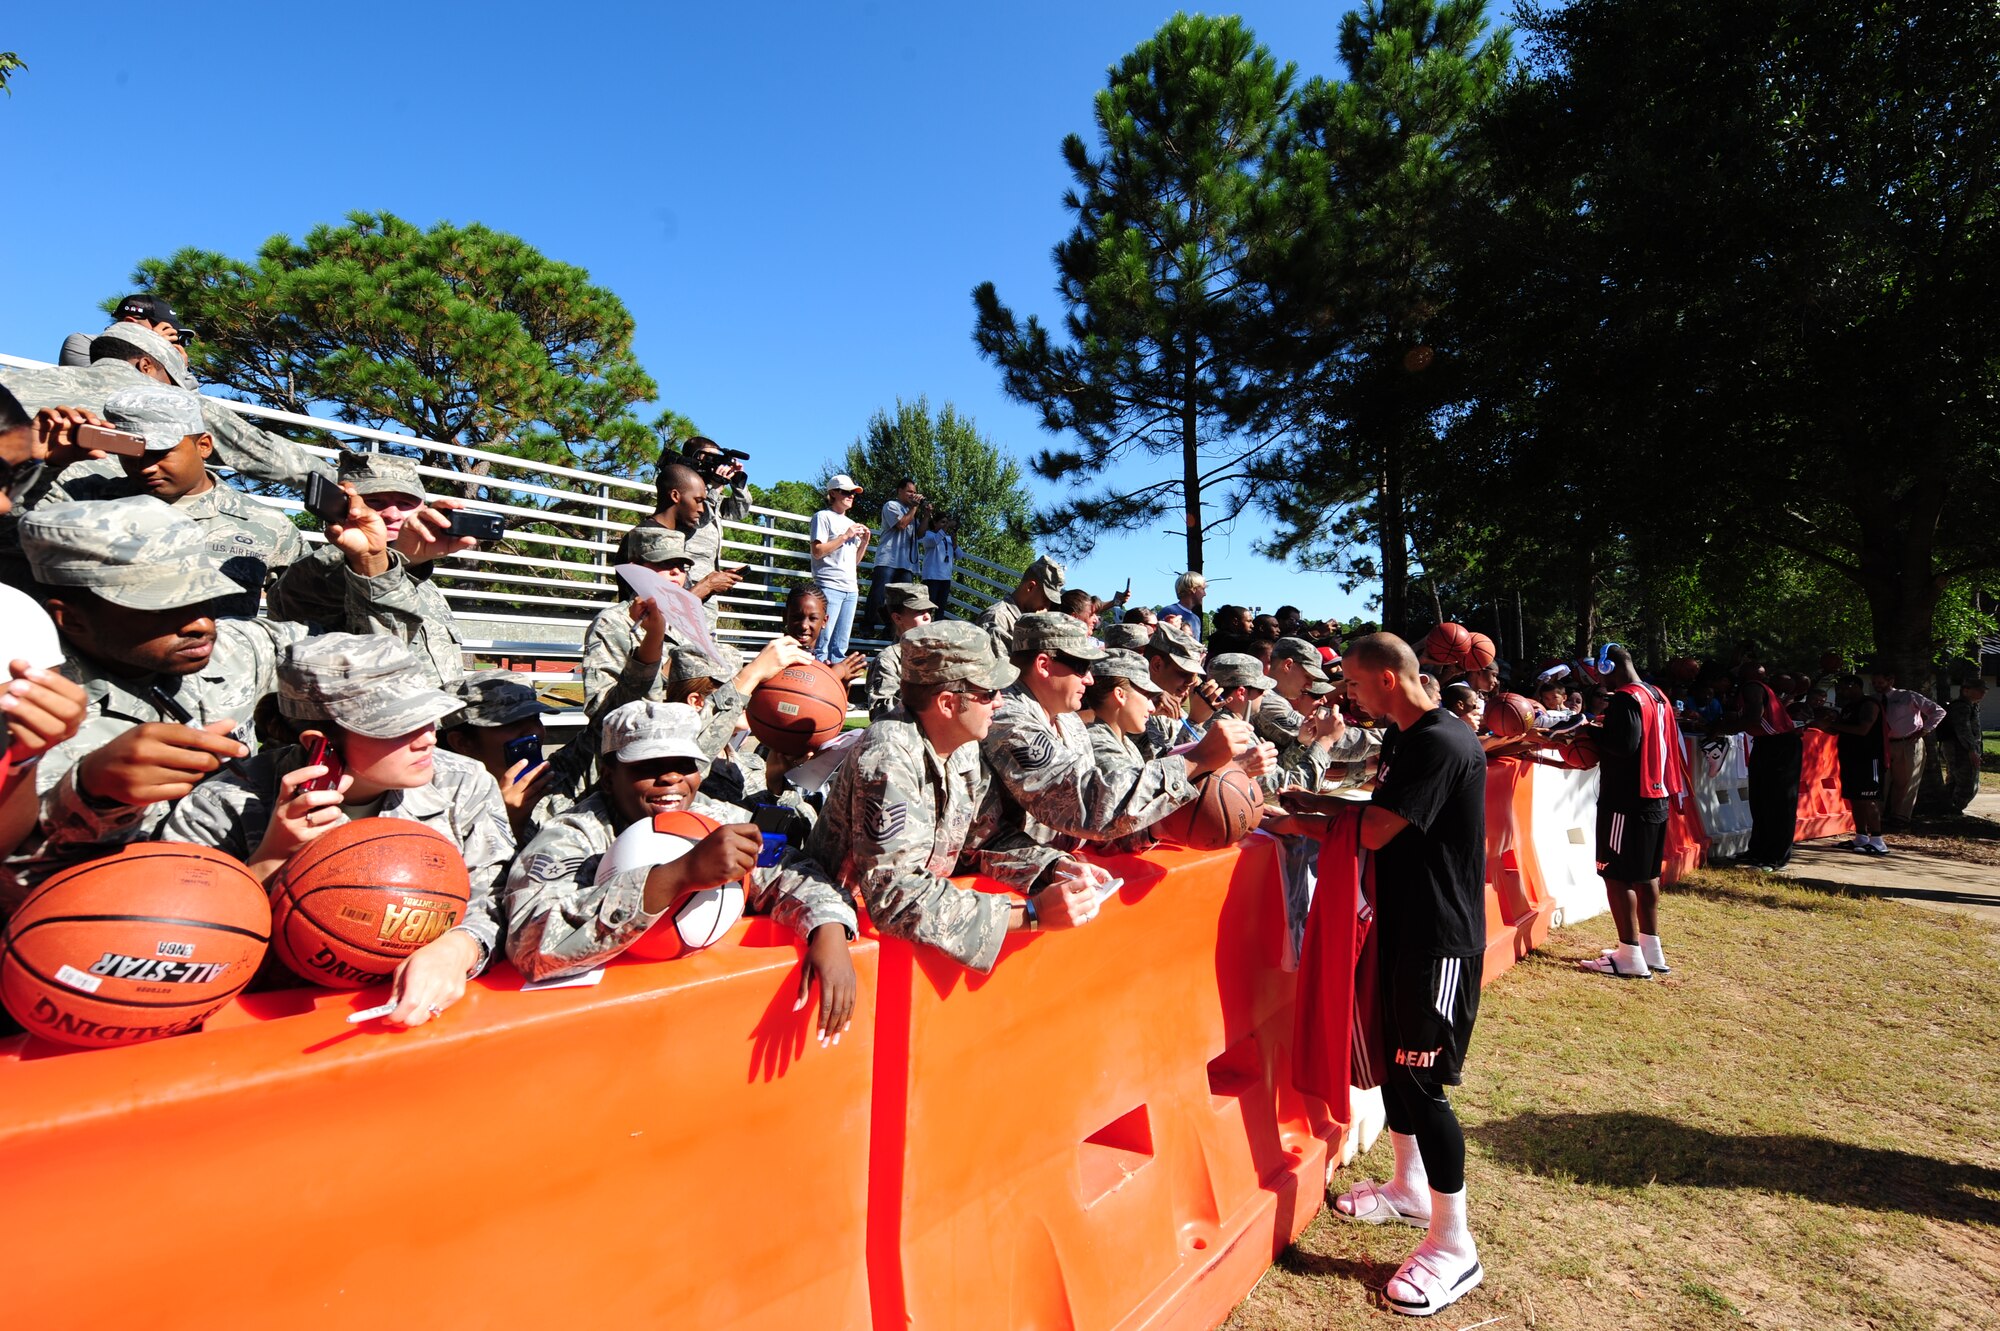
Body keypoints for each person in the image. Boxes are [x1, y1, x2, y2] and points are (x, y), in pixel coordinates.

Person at [5, 490, 439, 901]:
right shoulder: (23, 704)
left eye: (207, 597)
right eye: (161, 606)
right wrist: (91, 794)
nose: (201, 624)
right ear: (70, 619)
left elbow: (377, 662)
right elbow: (19, 890)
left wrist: (371, 562)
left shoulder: (236, 648)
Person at [160, 635, 511, 1027]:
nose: (428, 737)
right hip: (276, 1022)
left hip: (427, 1018)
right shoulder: (224, 803)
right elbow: (176, 943)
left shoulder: (462, 783)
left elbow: (498, 895)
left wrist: (460, 948)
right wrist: (269, 860)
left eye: (428, 716)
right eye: (398, 726)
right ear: (319, 744)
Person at [504, 700, 860, 1042]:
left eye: (685, 764)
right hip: (600, 1033)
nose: (671, 777)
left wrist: (827, 927)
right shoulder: (574, 835)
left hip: (705, 1023)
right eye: (648, 764)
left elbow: (789, 873)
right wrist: (676, 875)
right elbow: (530, 943)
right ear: (610, 776)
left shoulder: (715, 816)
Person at [1326, 633, 1487, 1318]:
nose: (1349, 695)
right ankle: (1409, 1186)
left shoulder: (1440, 742)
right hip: (1404, 931)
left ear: (1389, 678)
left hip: (1439, 941)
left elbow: (1373, 829)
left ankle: (1456, 1245)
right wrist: (1315, 804)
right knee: (1397, 1069)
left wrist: (1309, 815)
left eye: (1356, 684)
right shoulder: (1406, 734)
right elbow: (1370, 813)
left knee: (1423, 1084)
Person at [811, 621, 1104, 971]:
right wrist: (1031, 915)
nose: (1000, 701)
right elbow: (893, 894)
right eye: (987, 692)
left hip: (906, 943)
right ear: (948, 703)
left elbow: (986, 837)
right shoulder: (889, 754)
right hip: (845, 936)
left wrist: (1050, 868)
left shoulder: (962, 748)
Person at [980, 613, 1268, 852]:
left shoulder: (1067, 720)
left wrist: (1157, 828)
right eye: (1081, 666)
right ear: (1043, 665)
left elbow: (1087, 832)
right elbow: (1081, 803)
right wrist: (1196, 760)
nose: (1090, 678)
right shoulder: (1008, 717)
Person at [20, 385, 302, 617]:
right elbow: (9, 537)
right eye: (131, 454)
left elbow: (306, 612)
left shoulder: (267, 525)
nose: (145, 467)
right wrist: (36, 465)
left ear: (203, 445)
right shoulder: (83, 499)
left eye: (160, 452)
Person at [268, 451, 471, 687]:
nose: (392, 514)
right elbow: (376, 653)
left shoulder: (421, 577)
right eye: (375, 501)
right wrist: (389, 558)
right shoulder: (319, 572)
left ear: (421, 509)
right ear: (342, 504)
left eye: (405, 503)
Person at [1552, 645, 1685, 979]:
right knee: (1647, 875)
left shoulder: (1626, 698)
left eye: (1599, 672)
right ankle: (1650, 949)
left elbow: (1624, 744)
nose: (1597, 679)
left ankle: (1628, 956)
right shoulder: (1657, 694)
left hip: (1626, 799)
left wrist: (1588, 731)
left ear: (1609, 666)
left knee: (1616, 874)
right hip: (1657, 795)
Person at [437, 670, 591, 840]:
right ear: (462, 742)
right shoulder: (441, 808)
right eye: (512, 723)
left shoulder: (556, 778)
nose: (533, 732)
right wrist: (506, 821)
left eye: (535, 718)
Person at [615, 459, 744, 605]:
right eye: (698, 500)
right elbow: (660, 606)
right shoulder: (651, 536)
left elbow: (679, 597)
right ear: (675, 496)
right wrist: (708, 585)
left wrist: (715, 583)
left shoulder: (666, 534)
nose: (702, 509)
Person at [1729, 663, 1803, 871]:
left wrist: (1720, 728)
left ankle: (1775, 857)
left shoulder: (1753, 686)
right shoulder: (1752, 688)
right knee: (1761, 800)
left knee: (1778, 802)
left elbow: (1753, 717)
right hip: (1766, 744)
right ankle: (1759, 850)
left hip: (1780, 745)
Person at [1815, 674, 1889, 855]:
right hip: (1851, 757)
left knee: (1868, 798)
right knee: (1855, 798)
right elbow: (1839, 729)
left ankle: (1878, 841)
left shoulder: (1869, 704)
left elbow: (1863, 729)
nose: (1841, 691)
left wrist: (1834, 724)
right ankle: (1861, 836)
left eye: (1843, 687)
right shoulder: (1849, 707)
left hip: (1869, 758)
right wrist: (1823, 725)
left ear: (1854, 686)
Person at [1869, 666, 1945, 829]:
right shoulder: (1872, 699)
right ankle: (1876, 815)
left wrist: (1925, 730)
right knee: (1881, 781)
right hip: (1883, 744)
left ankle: (1900, 817)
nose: (1877, 685)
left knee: (1906, 780)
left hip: (1908, 743)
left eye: (1880, 682)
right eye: (1874, 682)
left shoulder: (1908, 696)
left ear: (1891, 681)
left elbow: (1938, 711)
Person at [808, 475, 869, 663]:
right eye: (846, 492)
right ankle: (817, 679)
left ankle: (836, 683)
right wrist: (844, 537)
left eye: (853, 493)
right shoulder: (822, 517)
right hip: (829, 585)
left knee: (840, 647)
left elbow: (853, 562)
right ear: (833, 493)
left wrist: (864, 542)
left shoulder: (851, 523)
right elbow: (817, 551)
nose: (851, 496)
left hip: (851, 588)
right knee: (822, 644)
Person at [59, 293, 194, 367]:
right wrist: (152, 346)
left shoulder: (165, 362)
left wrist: (180, 369)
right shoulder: (83, 343)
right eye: (166, 329)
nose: (172, 339)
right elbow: (107, 385)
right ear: (130, 323)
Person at [866, 582, 937, 721]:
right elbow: (880, 713)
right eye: (919, 611)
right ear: (897, 618)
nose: (927, 617)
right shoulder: (888, 660)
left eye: (929, 611)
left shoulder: (937, 653)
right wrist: (916, 687)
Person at [864, 477, 925, 633]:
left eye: (915, 492)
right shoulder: (891, 506)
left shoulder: (912, 511)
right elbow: (901, 525)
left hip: (906, 563)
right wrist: (914, 508)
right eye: (909, 492)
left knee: (903, 599)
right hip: (888, 558)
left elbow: (920, 534)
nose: (913, 495)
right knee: (878, 593)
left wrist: (927, 515)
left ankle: (891, 629)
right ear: (900, 491)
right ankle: (868, 625)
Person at [977, 554, 1064, 655]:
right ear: (1030, 587)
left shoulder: (1025, 620)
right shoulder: (997, 618)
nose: (1047, 607)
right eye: (1046, 599)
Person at [783, 586, 867, 685]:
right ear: (785, 616)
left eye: (813, 618)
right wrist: (835, 674)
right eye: (797, 617)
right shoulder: (775, 655)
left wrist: (842, 684)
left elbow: (827, 699)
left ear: (824, 621)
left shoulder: (820, 663)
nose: (804, 626)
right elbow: (802, 693)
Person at [917, 510, 957, 614]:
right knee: (927, 609)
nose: (945, 525)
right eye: (943, 522)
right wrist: (947, 527)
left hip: (945, 578)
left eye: (946, 522)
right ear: (935, 523)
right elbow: (934, 541)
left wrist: (954, 542)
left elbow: (960, 555)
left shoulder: (948, 538)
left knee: (941, 609)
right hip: (931, 577)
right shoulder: (928, 535)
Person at [1157, 571, 1206, 643]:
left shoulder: (1196, 619)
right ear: (1193, 589)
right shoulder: (1169, 612)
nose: (1205, 594)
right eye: (1203, 589)